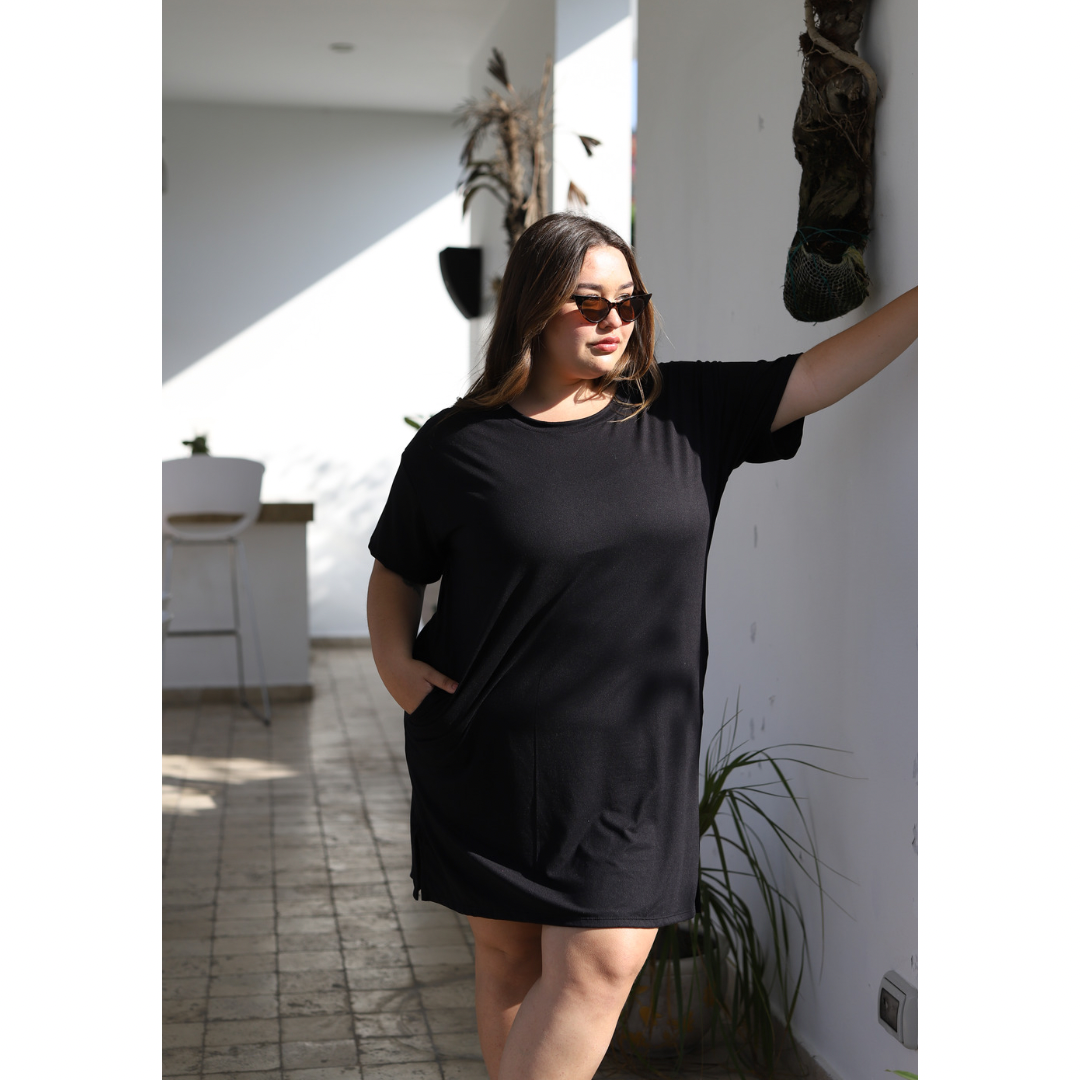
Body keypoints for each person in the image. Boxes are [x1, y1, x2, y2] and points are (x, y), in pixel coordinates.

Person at [366, 212, 917, 1080]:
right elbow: (396, 570)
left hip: (633, 761)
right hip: (488, 750)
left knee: (601, 964)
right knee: (508, 958)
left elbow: (818, 374)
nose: (613, 320)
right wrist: (395, 666)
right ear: (532, 308)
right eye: (588, 303)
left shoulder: (684, 410)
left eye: (628, 301)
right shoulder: (457, 443)